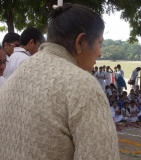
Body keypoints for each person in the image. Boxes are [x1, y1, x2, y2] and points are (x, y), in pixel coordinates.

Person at [0, 4, 120, 160]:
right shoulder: (83, 86)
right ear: (80, 41)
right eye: (100, 43)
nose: (100, 53)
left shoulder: (14, 78)